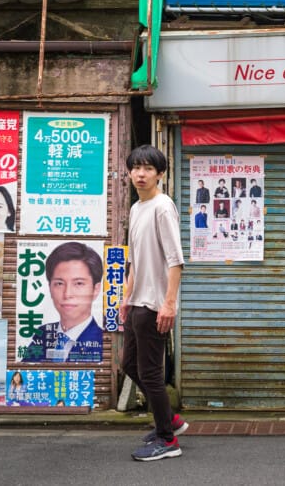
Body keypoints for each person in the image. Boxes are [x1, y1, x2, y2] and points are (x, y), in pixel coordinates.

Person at [120, 145, 186, 462]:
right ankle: (168, 419)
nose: (141, 174)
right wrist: (125, 297)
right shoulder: (136, 209)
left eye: (148, 168)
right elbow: (134, 260)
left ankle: (167, 439)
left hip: (155, 305)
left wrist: (169, 304)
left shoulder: (162, 207)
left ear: (160, 174)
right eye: (136, 168)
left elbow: (175, 261)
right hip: (137, 302)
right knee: (129, 365)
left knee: (150, 374)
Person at [24, 242, 104, 364]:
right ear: (50, 287)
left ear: (96, 289)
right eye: (59, 283)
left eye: (78, 283)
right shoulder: (42, 334)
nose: (67, 294)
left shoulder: (102, 340)